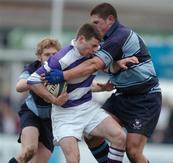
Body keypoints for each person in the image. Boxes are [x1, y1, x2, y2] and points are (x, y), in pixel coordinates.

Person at [44, 3, 162, 163]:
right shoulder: (103, 40)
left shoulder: (120, 36)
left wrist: (63, 75)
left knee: (133, 151)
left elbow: (94, 65)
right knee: (92, 136)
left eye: (96, 22)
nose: (92, 26)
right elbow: (98, 64)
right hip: (121, 96)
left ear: (110, 20)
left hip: (144, 99)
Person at [27, 23, 127, 163]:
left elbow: (102, 66)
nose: (94, 50)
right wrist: (53, 99)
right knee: (74, 159)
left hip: (87, 108)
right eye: (92, 46)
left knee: (120, 137)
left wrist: (118, 64)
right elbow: (32, 80)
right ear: (81, 39)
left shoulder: (95, 52)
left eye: (97, 46)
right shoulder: (61, 58)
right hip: (65, 115)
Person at [8, 38, 68, 163]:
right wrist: (39, 79)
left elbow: (84, 84)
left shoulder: (64, 71)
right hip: (32, 113)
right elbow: (19, 86)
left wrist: (102, 87)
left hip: (51, 120)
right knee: (29, 150)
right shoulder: (32, 68)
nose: (51, 58)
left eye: (54, 54)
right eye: (47, 54)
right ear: (39, 57)